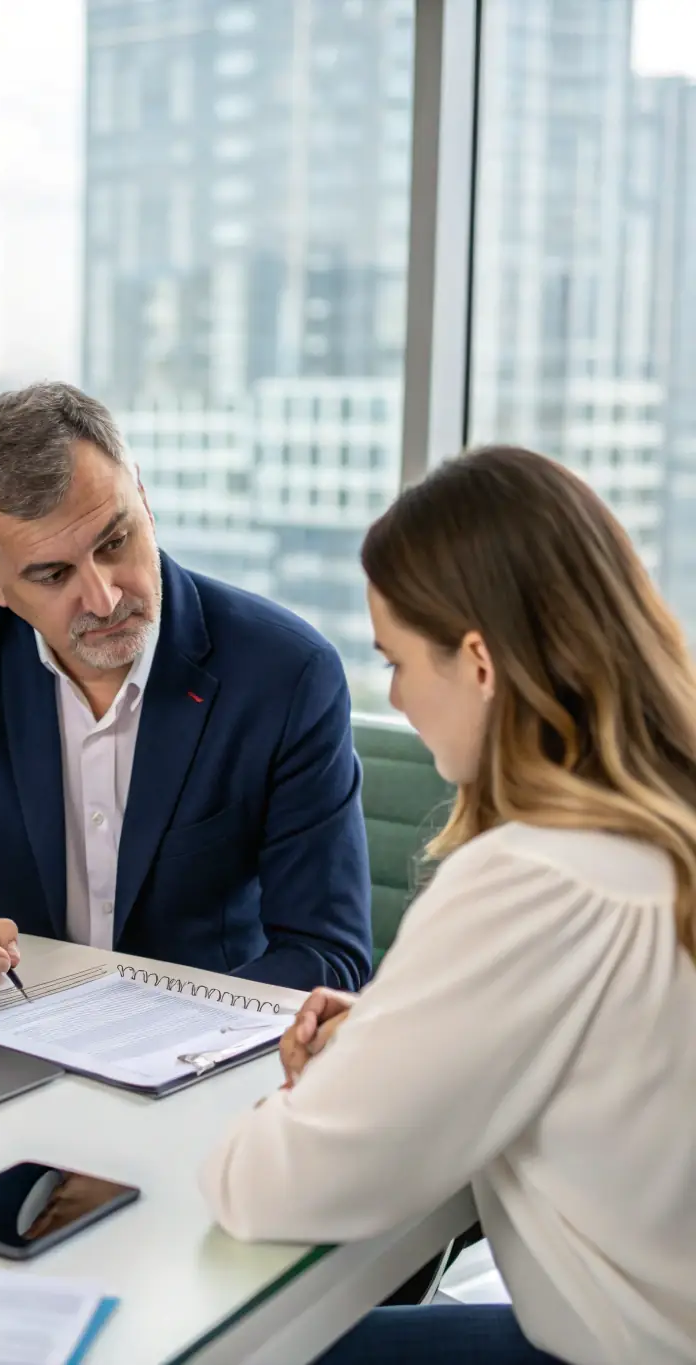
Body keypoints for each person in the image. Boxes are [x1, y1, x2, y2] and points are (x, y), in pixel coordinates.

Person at [200, 446, 696, 1365]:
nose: (392, 695)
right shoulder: (661, 830)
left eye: (394, 660)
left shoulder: (534, 879)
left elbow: (267, 1186)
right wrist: (405, 1032)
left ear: (477, 660)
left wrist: (357, 1077)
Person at [0, 382, 372, 1012]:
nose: (106, 598)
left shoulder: (286, 673)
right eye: (53, 575)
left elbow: (328, 955)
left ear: (142, 497)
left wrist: (159, 1033)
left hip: (198, 1067)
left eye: (115, 542)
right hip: (6, 1040)